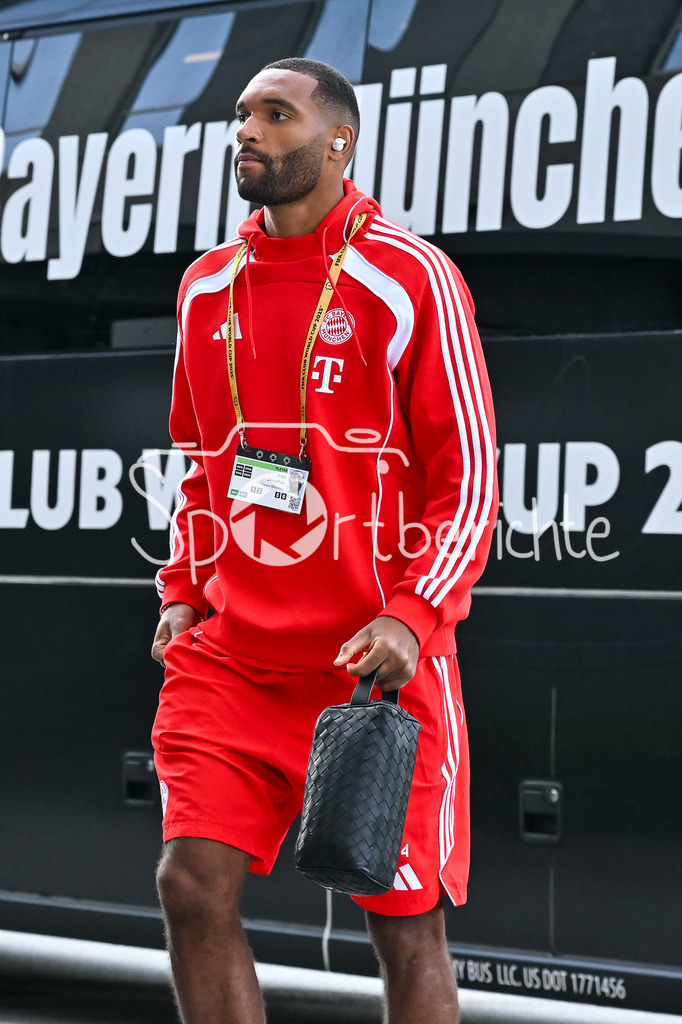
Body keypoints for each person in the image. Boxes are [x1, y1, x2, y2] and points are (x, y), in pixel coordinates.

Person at [151, 56, 497, 1024]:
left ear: (337, 140)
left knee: (403, 926)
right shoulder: (205, 286)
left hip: (370, 664)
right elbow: (198, 462)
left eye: (275, 114)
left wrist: (414, 613)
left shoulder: (408, 275)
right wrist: (182, 588)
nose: (247, 132)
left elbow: (465, 472)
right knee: (190, 883)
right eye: (240, 115)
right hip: (233, 656)